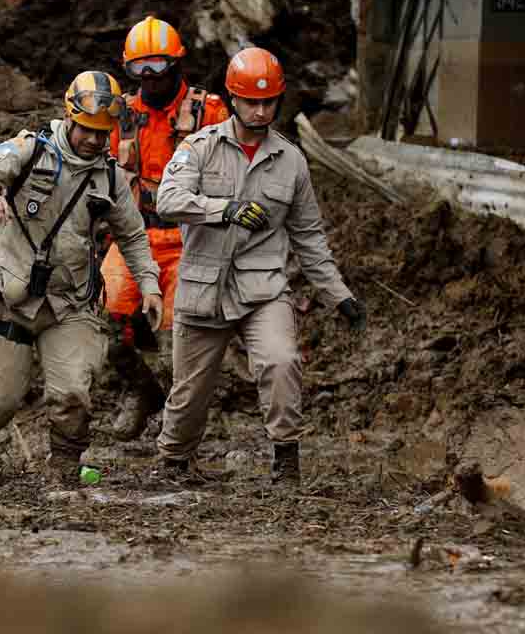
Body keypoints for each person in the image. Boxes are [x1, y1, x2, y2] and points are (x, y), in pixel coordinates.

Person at [154, 47, 367, 486]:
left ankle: (286, 461)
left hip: (263, 288)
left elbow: (309, 237)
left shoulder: (291, 161)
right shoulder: (199, 148)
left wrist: (339, 295)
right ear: (233, 98)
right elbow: (167, 201)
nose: (261, 110)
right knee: (190, 390)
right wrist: (223, 209)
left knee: (281, 361)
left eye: (269, 102)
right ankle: (174, 462)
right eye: (252, 101)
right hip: (204, 286)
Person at [0, 71, 162, 485]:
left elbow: (134, 236)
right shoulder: (30, 149)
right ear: (69, 117)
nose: (94, 140)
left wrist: (150, 286)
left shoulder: (111, 177)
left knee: (72, 394)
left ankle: (64, 472)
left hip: (70, 301)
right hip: (10, 299)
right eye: (87, 130)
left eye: (103, 133)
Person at [102, 16, 230, 441]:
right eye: (140, 69)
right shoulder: (119, 115)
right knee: (105, 321)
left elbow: (233, 174)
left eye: (157, 66)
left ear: (177, 65)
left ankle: (180, 426)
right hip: (134, 235)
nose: (149, 77)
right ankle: (142, 392)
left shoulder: (209, 111)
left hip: (189, 239)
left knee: (180, 339)